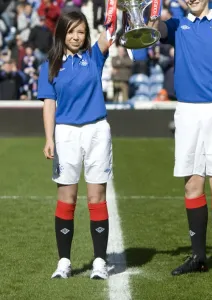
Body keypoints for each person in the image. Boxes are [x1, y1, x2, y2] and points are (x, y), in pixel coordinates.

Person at [149, 0, 212, 276]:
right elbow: (151, 30)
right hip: (187, 111)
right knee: (192, 184)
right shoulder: (177, 24)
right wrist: (150, 9)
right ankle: (198, 256)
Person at [37, 11, 113, 280]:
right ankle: (64, 262)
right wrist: (49, 138)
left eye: (80, 31)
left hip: (96, 132)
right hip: (65, 134)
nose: (76, 36)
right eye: (71, 31)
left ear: (86, 34)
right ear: (62, 33)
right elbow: (49, 105)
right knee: (66, 199)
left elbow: (110, 33)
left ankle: (100, 262)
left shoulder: (94, 56)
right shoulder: (50, 65)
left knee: (97, 198)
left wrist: (119, 9)